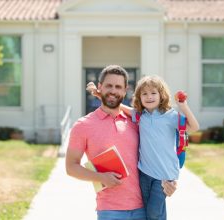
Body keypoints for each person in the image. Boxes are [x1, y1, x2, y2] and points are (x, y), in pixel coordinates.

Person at [66, 65, 177, 220]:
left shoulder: (139, 122)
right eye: (109, 86)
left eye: (118, 87)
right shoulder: (83, 125)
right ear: (100, 87)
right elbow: (71, 167)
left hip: (143, 208)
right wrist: (101, 177)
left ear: (125, 91)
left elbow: (161, 151)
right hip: (110, 210)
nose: (113, 90)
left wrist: (170, 182)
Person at [87, 75, 199, 220]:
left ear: (161, 95)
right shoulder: (140, 116)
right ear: (139, 97)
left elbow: (194, 127)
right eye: (144, 93)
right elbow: (118, 105)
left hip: (164, 176)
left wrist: (184, 106)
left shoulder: (170, 116)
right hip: (145, 173)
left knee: (154, 212)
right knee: (148, 210)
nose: (149, 97)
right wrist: (99, 94)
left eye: (153, 93)